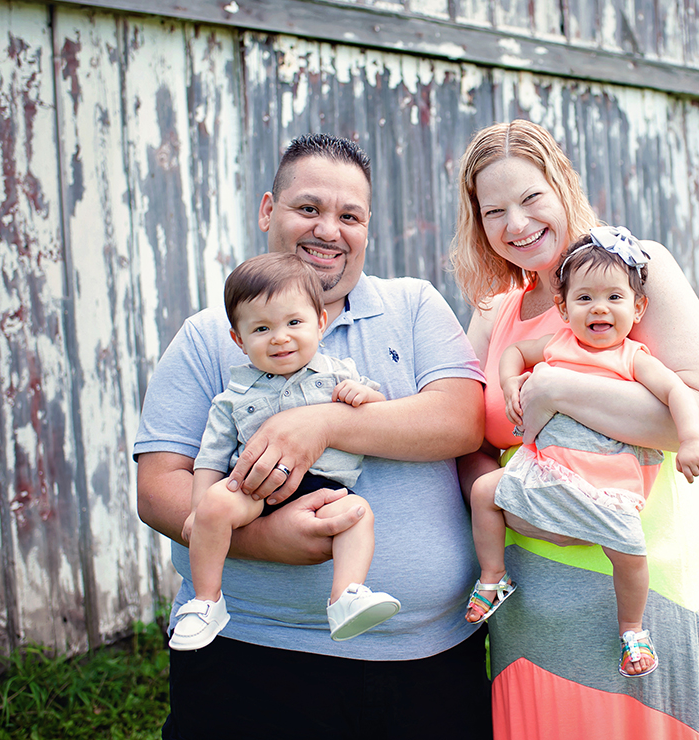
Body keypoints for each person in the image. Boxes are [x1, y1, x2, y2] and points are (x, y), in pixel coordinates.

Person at [135, 133, 489, 739]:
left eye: (349, 215)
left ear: (367, 228)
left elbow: (461, 420)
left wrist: (322, 422)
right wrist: (269, 539)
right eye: (309, 208)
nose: (329, 229)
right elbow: (157, 488)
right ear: (269, 210)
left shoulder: (412, 306)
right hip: (252, 655)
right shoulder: (207, 337)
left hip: (427, 661)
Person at [450, 119, 699, 738]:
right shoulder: (495, 312)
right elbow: (468, 438)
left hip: (640, 578)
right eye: (494, 210)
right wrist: (505, 502)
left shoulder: (635, 269)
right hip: (531, 589)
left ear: (562, 185)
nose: (517, 224)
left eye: (531, 198)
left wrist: (561, 390)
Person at [465, 229, 699, 680]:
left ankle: (632, 630)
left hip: (607, 488)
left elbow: (678, 392)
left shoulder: (632, 357)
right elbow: (516, 352)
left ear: (637, 308)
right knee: (484, 491)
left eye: (614, 297)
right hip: (546, 473)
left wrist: (692, 440)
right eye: (584, 298)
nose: (599, 307)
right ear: (564, 309)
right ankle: (492, 576)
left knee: (630, 556)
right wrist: (508, 382)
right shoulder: (559, 343)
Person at [171, 252, 399, 652]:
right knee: (214, 506)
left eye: (294, 322)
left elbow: (380, 416)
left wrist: (364, 395)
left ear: (320, 323)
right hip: (252, 490)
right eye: (262, 328)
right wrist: (197, 510)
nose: (280, 337)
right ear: (238, 340)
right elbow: (209, 458)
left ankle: (346, 596)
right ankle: (206, 602)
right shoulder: (233, 397)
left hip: (324, 489)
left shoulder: (337, 374)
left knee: (357, 516)